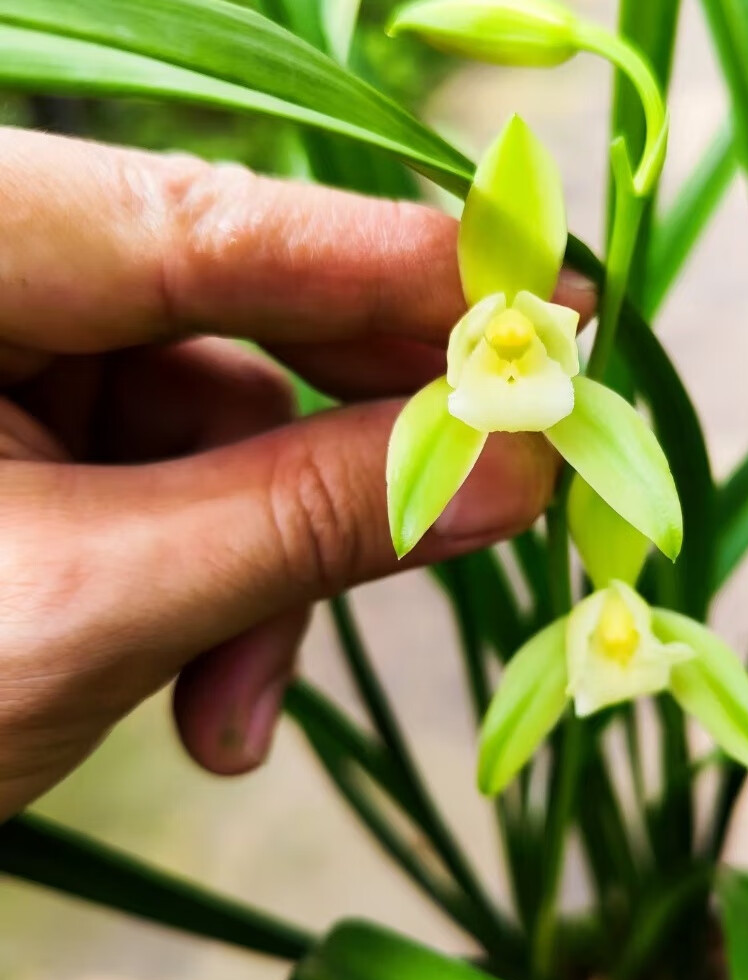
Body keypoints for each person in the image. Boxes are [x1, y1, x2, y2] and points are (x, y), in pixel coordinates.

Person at [0, 127, 595, 821]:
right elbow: (408, 498)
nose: (513, 343)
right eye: (495, 342)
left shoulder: (494, 409)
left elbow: (624, 475)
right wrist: (342, 519)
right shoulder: (448, 418)